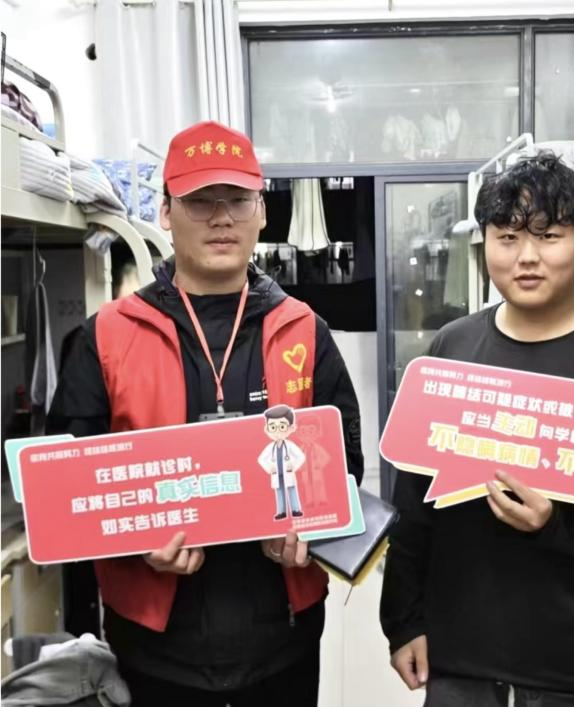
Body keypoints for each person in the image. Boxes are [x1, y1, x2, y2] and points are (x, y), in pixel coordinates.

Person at [48, 120, 364, 707]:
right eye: (200, 201)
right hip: (155, 645)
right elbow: (66, 488)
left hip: (282, 639)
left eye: (237, 200)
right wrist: (136, 541)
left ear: (261, 211)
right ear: (166, 212)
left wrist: (312, 525)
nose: (222, 218)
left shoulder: (303, 329)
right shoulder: (107, 337)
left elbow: (345, 465)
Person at [379, 153, 574, 707]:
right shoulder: (452, 349)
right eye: (507, 237)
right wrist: (403, 619)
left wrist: (560, 524)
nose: (526, 257)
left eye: (549, 236)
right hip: (464, 665)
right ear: (484, 243)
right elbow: (414, 503)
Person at [258, 405, 307, 520]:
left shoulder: (290, 445)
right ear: (267, 429)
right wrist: (269, 467)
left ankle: (295, 510)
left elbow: (301, 456)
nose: (277, 431)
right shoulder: (271, 447)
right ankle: (281, 511)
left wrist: (293, 465)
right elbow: (261, 459)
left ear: (291, 428)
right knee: (279, 492)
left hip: (288, 472)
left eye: (282, 427)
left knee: (292, 490)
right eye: (273, 427)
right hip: (277, 474)